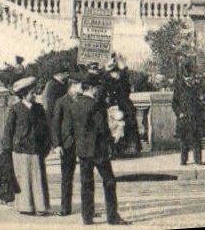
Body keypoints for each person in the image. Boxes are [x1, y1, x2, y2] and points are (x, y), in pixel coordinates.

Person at [59, 71, 125, 227]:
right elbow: (102, 129)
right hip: (98, 150)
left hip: (82, 150)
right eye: (97, 87)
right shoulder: (96, 106)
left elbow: (68, 128)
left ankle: (87, 217)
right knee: (109, 181)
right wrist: (113, 140)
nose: (98, 90)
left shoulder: (74, 105)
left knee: (86, 184)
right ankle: (112, 217)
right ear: (92, 88)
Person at [1, 76, 45, 215]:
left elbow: (45, 128)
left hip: (36, 148)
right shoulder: (15, 109)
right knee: (23, 179)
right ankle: (25, 207)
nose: (34, 95)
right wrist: (7, 149)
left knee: (37, 178)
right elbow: (8, 130)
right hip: (21, 149)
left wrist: (46, 145)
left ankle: (40, 206)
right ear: (24, 94)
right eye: (31, 93)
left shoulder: (39, 108)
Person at [45, 69, 77, 216]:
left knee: (86, 177)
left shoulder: (85, 100)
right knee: (67, 177)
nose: (83, 88)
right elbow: (55, 124)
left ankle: (89, 209)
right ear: (72, 86)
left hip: (84, 143)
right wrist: (57, 144)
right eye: (80, 85)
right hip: (67, 143)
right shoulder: (61, 102)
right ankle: (65, 207)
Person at [173, 59, 205, 166]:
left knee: (197, 140)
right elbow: (174, 103)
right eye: (187, 77)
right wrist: (179, 113)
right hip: (184, 118)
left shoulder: (200, 86)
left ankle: (198, 160)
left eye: (191, 76)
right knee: (184, 141)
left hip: (196, 117)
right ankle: (183, 160)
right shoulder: (179, 88)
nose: (189, 79)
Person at [103, 54, 141, 157]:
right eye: (113, 73)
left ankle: (130, 148)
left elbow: (125, 76)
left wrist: (122, 66)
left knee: (129, 123)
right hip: (112, 106)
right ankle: (113, 149)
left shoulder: (123, 81)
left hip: (124, 105)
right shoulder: (107, 80)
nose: (115, 75)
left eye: (116, 72)